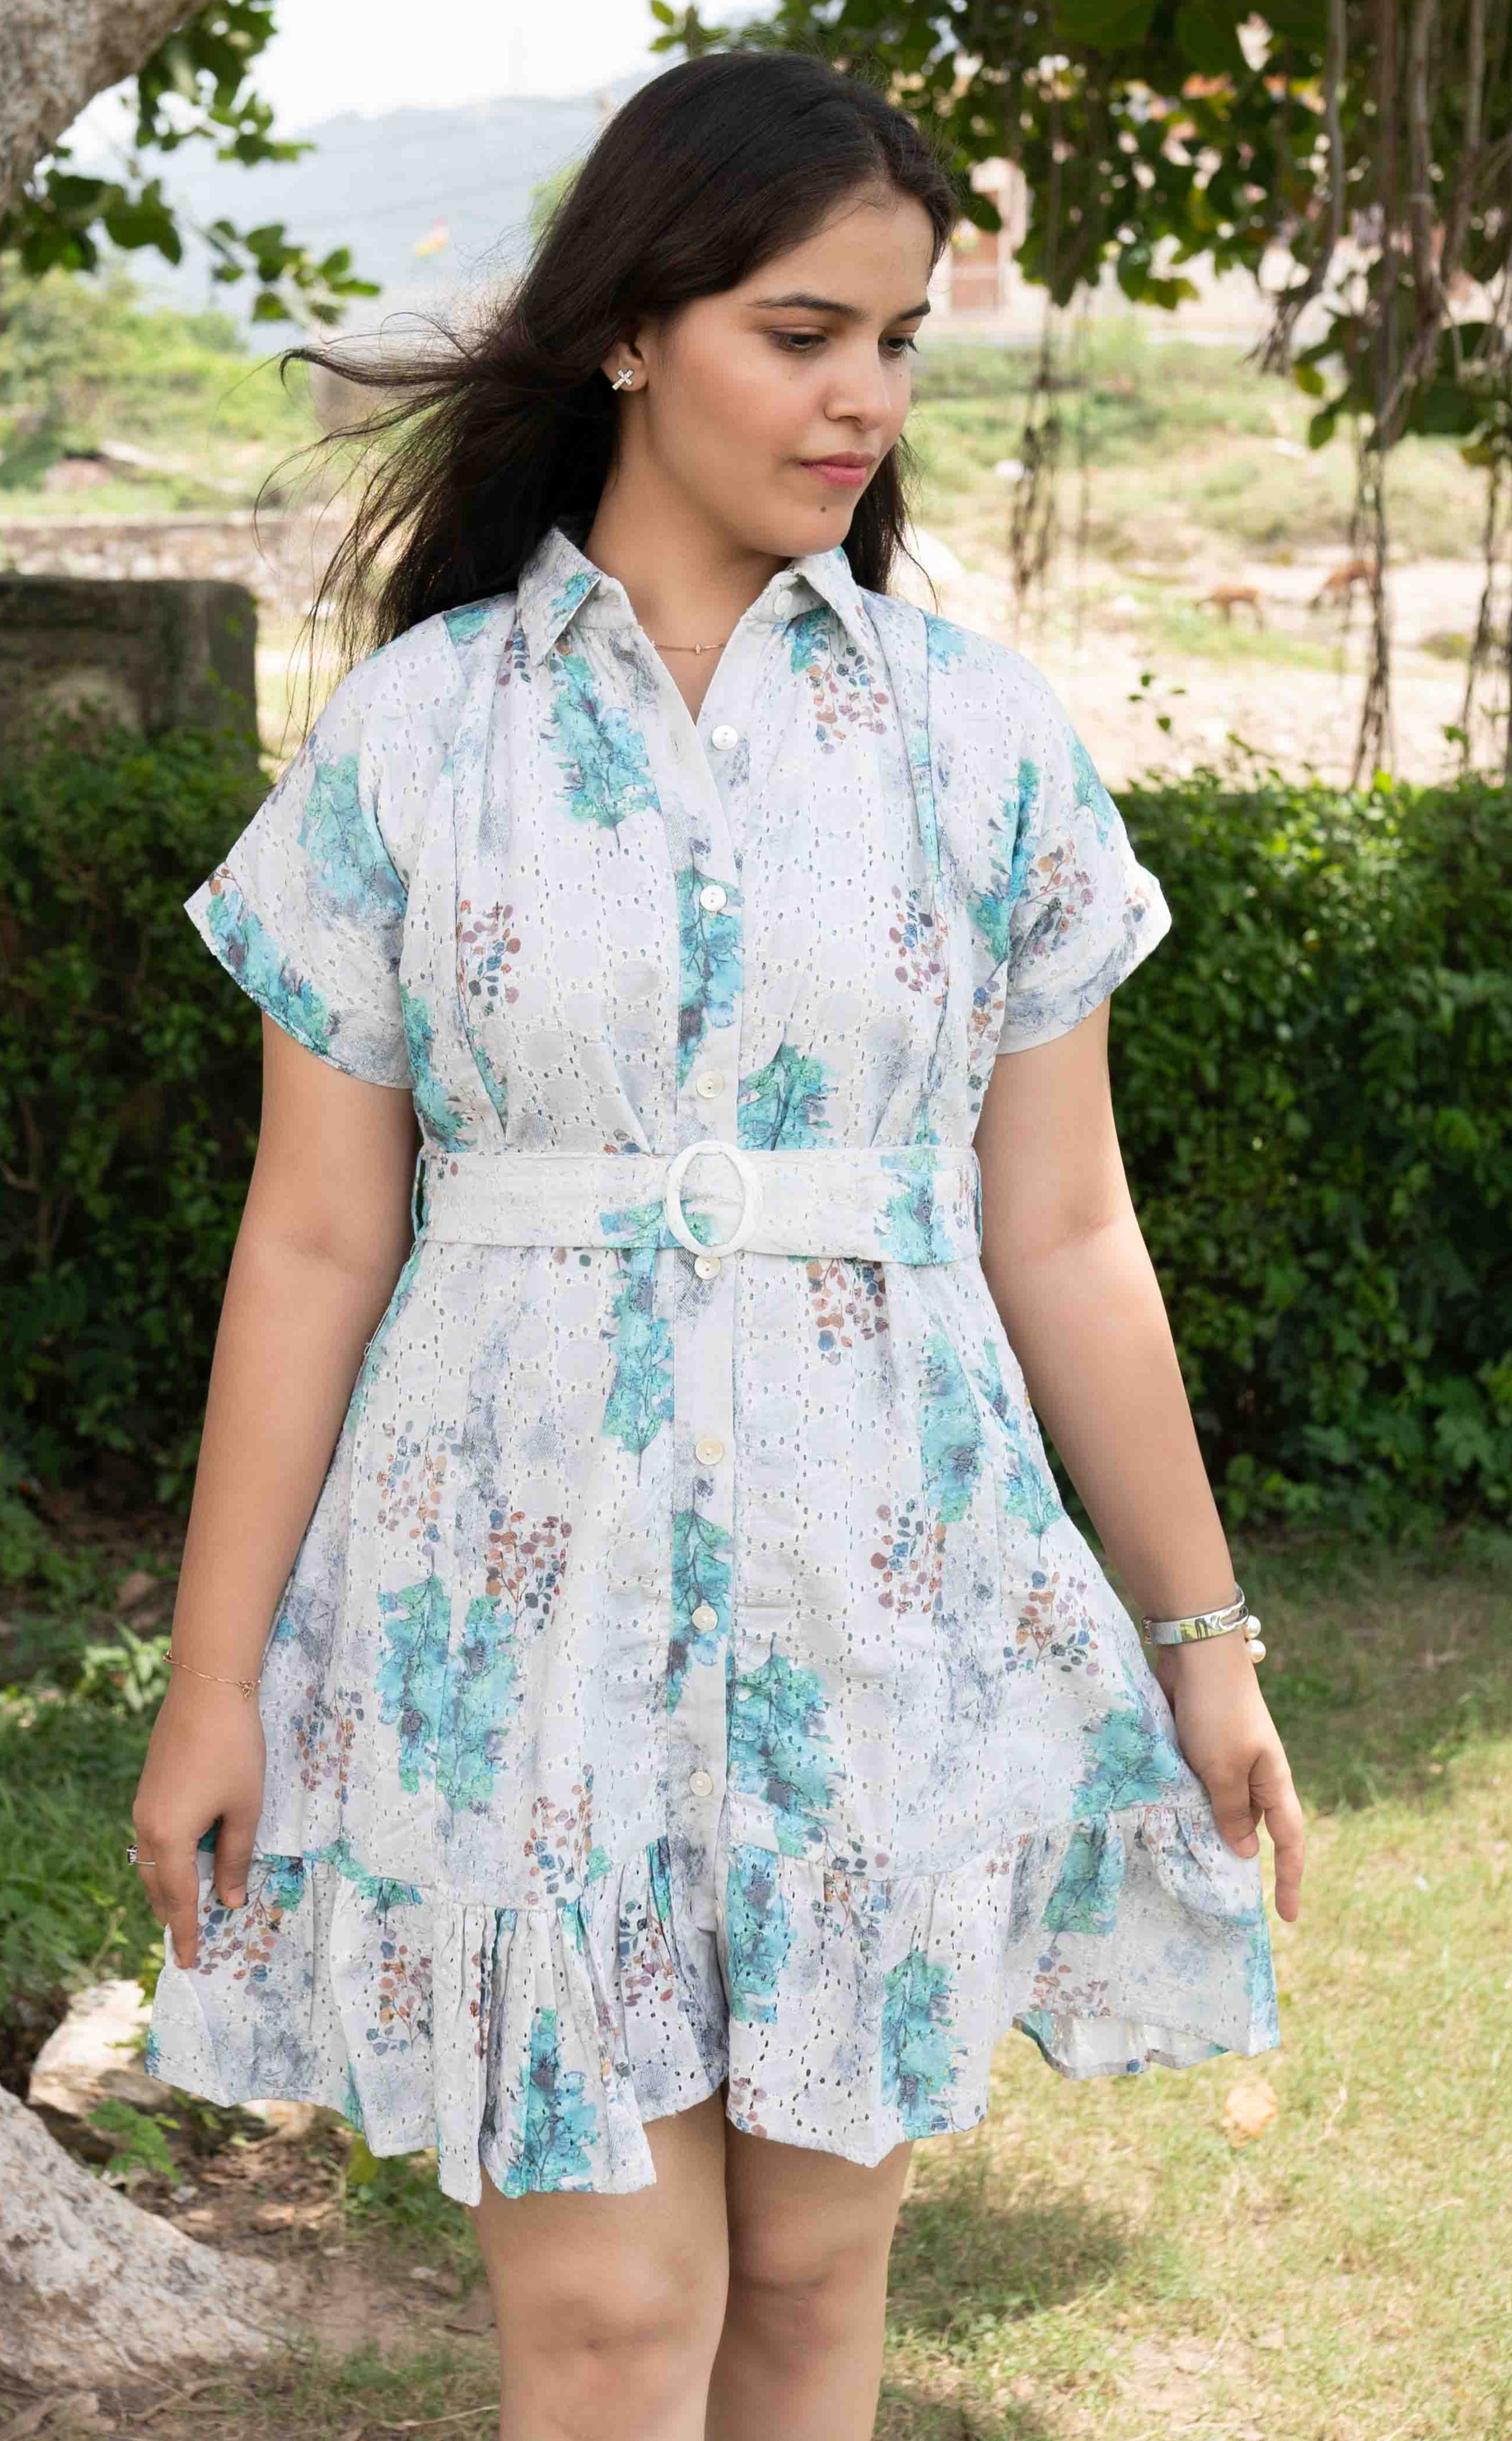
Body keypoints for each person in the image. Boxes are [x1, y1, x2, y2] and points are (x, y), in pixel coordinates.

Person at [131, 47, 1306, 2441]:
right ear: (636, 331)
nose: (864, 395)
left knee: (802, 2294)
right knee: (601, 2319)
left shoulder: (978, 744)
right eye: (804, 331)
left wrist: (1202, 1637)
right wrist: (214, 1671)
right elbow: (316, 1237)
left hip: (876, 1595)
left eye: (899, 341)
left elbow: (1066, 1223)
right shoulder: (415, 738)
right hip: (515, 1614)